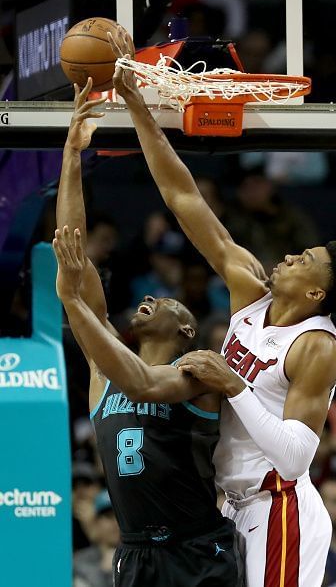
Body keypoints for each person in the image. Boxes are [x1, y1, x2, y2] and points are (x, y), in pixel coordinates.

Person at [107, 26, 336, 587]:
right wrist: (138, 111)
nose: (290, 256)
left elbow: (297, 456)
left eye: (303, 258)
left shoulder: (318, 347)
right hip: (231, 506)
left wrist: (234, 386)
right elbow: (185, 199)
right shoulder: (251, 292)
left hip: (281, 507)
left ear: (315, 294)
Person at [55, 79, 241, 587]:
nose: (148, 298)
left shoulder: (197, 372)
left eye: (164, 298)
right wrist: (72, 154)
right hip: (135, 552)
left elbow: (142, 381)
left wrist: (74, 303)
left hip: (198, 548)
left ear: (186, 326)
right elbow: (72, 257)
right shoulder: (103, 370)